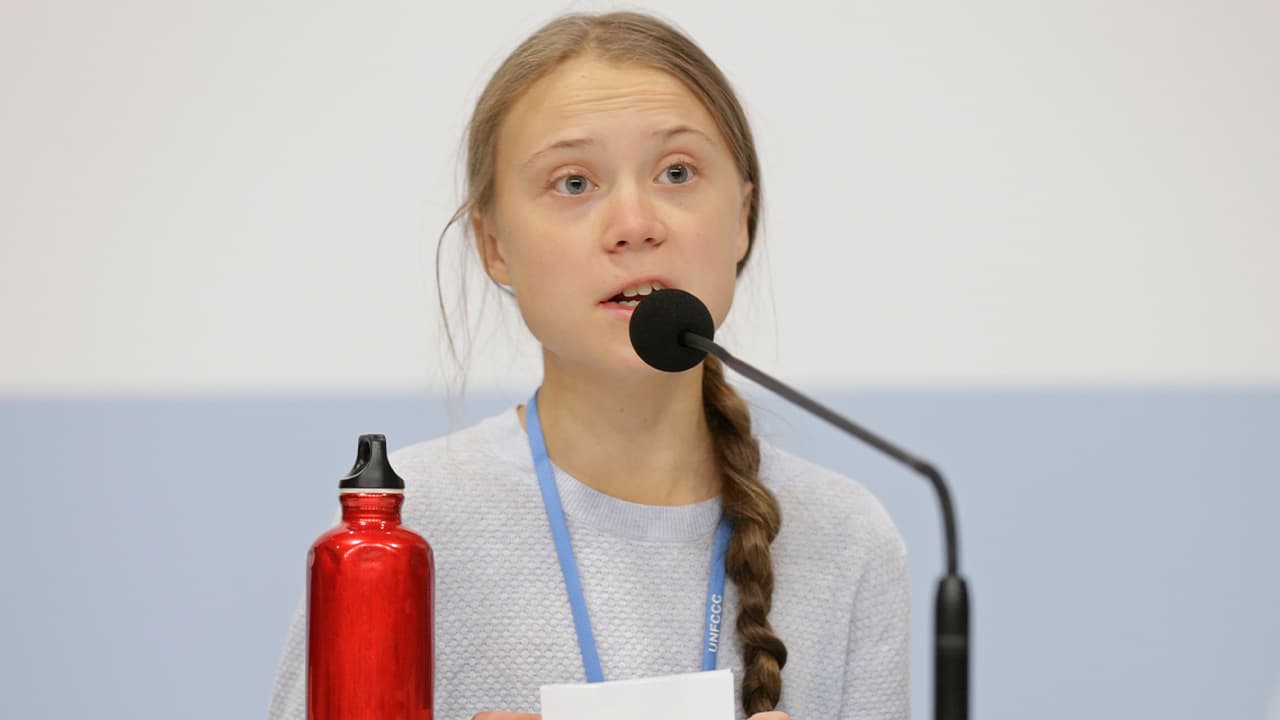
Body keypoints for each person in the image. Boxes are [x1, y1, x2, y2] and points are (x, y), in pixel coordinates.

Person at [269, 11, 909, 720]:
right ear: (494, 246)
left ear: (743, 219)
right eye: (573, 183)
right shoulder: (398, 534)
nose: (635, 222)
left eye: (676, 171)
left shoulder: (846, 536)